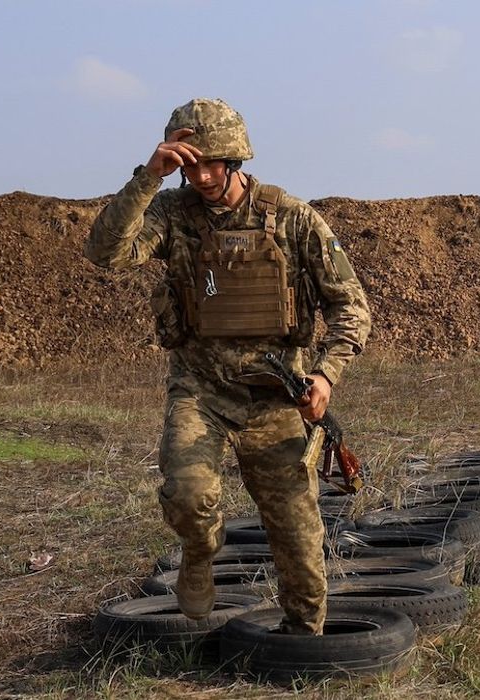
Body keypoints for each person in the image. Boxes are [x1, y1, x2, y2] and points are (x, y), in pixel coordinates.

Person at [84, 98, 371, 635]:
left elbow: (350, 304)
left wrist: (327, 374)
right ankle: (198, 552)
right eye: (188, 164)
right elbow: (105, 252)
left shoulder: (291, 217)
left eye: (210, 163)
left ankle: (303, 640)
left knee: (297, 532)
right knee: (190, 497)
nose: (200, 175)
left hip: (275, 395)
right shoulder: (172, 214)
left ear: (235, 159)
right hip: (201, 390)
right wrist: (149, 177)